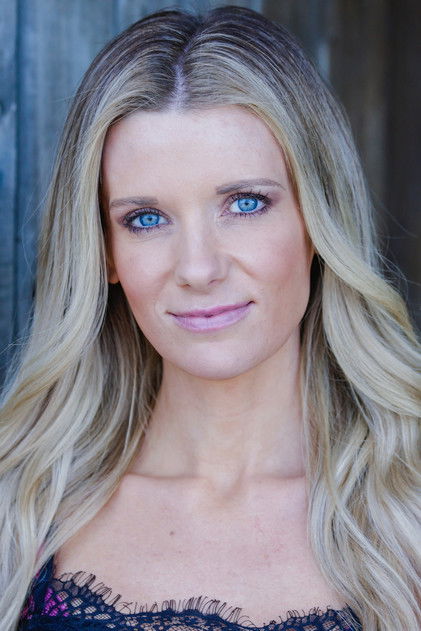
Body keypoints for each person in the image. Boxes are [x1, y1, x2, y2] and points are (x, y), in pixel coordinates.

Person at [0, 5, 419, 631]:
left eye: (244, 204)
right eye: (146, 219)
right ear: (105, 252)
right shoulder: (21, 510)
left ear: (316, 222)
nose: (198, 268)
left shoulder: (408, 509)